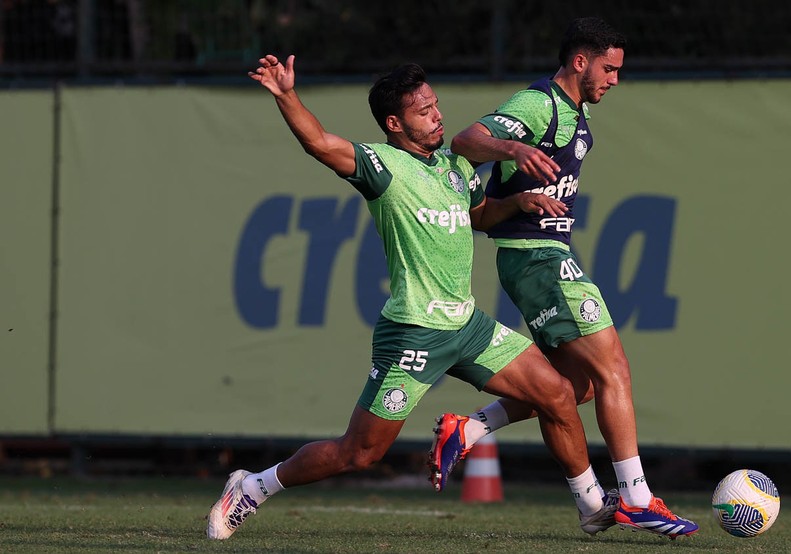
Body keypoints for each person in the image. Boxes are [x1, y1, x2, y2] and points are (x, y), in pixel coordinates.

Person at [207, 55, 616, 540]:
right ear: (395, 123)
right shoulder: (383, 169)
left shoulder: (455, 166)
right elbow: (318, 142)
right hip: (414, 331)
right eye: (424, 111)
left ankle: (591, 506)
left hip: (467, 325)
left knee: (559, 393)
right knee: (359, 453)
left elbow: (480, 217)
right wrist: (286, 95)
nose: (437, 116)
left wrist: (519, 203)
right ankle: (254, 486)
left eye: (436, 105)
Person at [431, 17, 699, 538]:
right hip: (539, 259)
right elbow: (467, 140)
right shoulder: (541, 104)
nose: (615, 79)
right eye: (609, 68)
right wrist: (513, 149)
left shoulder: (574, 115)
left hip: (541, 257)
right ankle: (638, 498)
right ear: (581, 61)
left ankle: (470, 428)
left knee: (570, 387)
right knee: (614, 367)